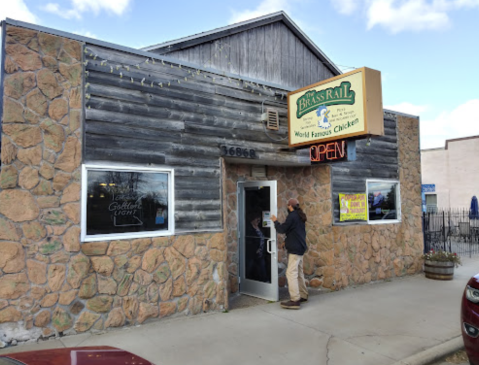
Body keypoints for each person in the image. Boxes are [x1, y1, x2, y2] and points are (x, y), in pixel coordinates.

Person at [271, 198, 308, 310]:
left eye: (288, 205)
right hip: (301, 248)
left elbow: (282, 229)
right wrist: (285, 242)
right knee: (299, 272)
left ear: (290, 206)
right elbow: (293, 232)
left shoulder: (292, 216)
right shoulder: (300, 216)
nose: (287, 207)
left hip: (295, 250)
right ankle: (303, 294)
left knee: (290, 273)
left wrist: (275, 221)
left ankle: (295, 300)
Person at [245, 210, 268, 282]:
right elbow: (248, 241)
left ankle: (265, 282)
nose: (258, 221)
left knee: (262, 268)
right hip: (252, 254)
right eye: (257, 220)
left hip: (260, 253)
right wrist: (255, 249)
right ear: (252, 220)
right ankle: (246, 283)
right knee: (249, 268)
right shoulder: (249, 229)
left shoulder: (260, 228)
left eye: (259, 220)